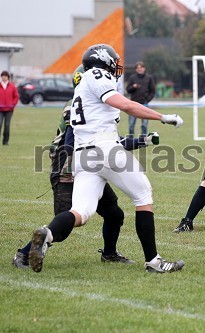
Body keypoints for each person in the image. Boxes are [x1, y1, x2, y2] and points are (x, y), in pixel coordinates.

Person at [26, 44, 185, 274]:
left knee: (81, 211)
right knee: (143, 195)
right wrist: (163, 117)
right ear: (104, 61)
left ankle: (47, 234)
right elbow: (126, 105)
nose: (116, 66)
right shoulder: (97, 75)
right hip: (105, 149)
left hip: (83, 156)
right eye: (114, 61)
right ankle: (154, 261)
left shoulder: (81, 86)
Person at [12, 66, 161, 268]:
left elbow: (110, 141)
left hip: (88, 163)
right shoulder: (79, 105)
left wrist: (142, 141)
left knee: (114, 214)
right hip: (69, 166)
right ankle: (23, 254)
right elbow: (72, 143)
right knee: (69, 219)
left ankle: (109, 253)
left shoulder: (89, 103)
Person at [126, 61, 156, 136]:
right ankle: (131, 140)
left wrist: (148, 99)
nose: (140, 69)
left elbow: (153, 91)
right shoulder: (132, 78)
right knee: (131, 125)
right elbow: (128, 90)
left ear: (144, 68)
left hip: (144, 104)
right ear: (136, 69)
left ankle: (143, 140)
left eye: (141, 67)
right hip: (133, 104)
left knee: (144, 125)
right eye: (138, 68)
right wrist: (133, 87)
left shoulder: (149, 78)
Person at [0, 70, 19, 145]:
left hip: (9, 110)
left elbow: (16, 96)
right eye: (2, 76)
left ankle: (5, 141)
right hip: (0, 110)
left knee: (7, 125)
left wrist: (13, 104)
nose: (4, 77)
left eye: (5, 76)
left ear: (8, 77)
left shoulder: (12, 86)